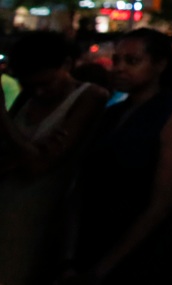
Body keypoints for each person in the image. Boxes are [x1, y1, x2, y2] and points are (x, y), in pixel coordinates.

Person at [66, 28, 172, 284]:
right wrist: (71, 256)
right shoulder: (113, 112)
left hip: (141, 255)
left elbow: (161, 204)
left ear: (159, 65)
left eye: (132, 61)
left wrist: (102, 269)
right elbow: (83, 183)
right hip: (95, 238)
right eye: (117, 60)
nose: (119, 68)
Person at [0, 31, 109, 285]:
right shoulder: (29, 96)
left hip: (40, 218)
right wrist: (30, 150)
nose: (39, 92)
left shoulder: (89, 97)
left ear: (67, 65)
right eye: (30, 85)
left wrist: (3, 118)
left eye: (46, 83)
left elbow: (39, 165)